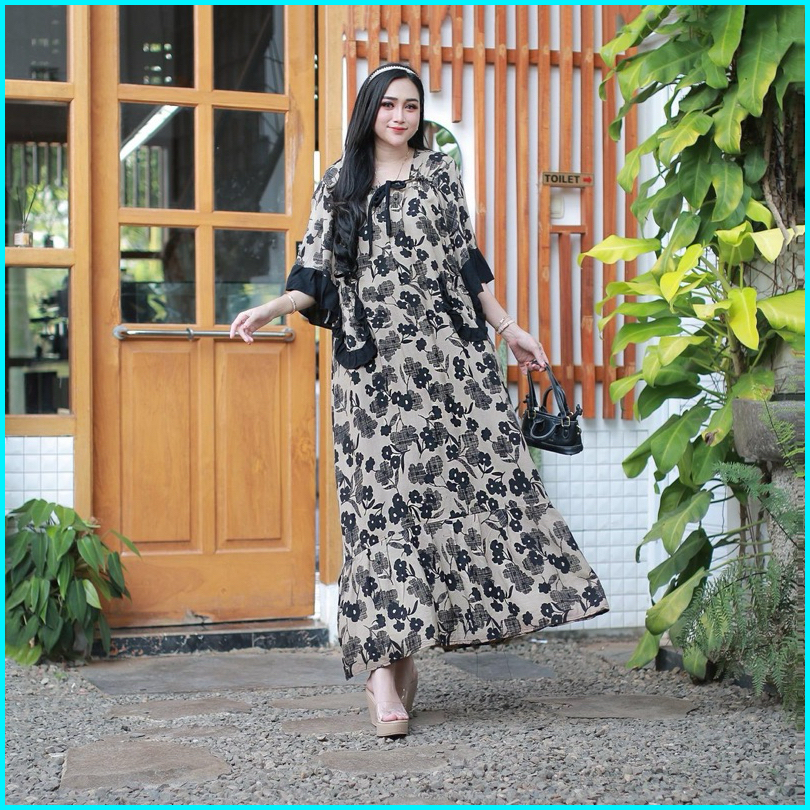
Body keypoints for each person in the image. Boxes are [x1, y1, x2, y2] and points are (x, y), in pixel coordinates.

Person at [230, 63, 609, 737]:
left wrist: (510, 330)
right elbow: (313, 276)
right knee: (378, 516)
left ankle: (402, 655)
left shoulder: (439, 174)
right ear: (369, 110)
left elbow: (468, 265)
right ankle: (380, 673)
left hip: (447, 371)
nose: (400, 116)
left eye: (410, 105)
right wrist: (269, 308)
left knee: (449, 501)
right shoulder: (338, 183)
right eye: (388, 105)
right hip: (371, 380)